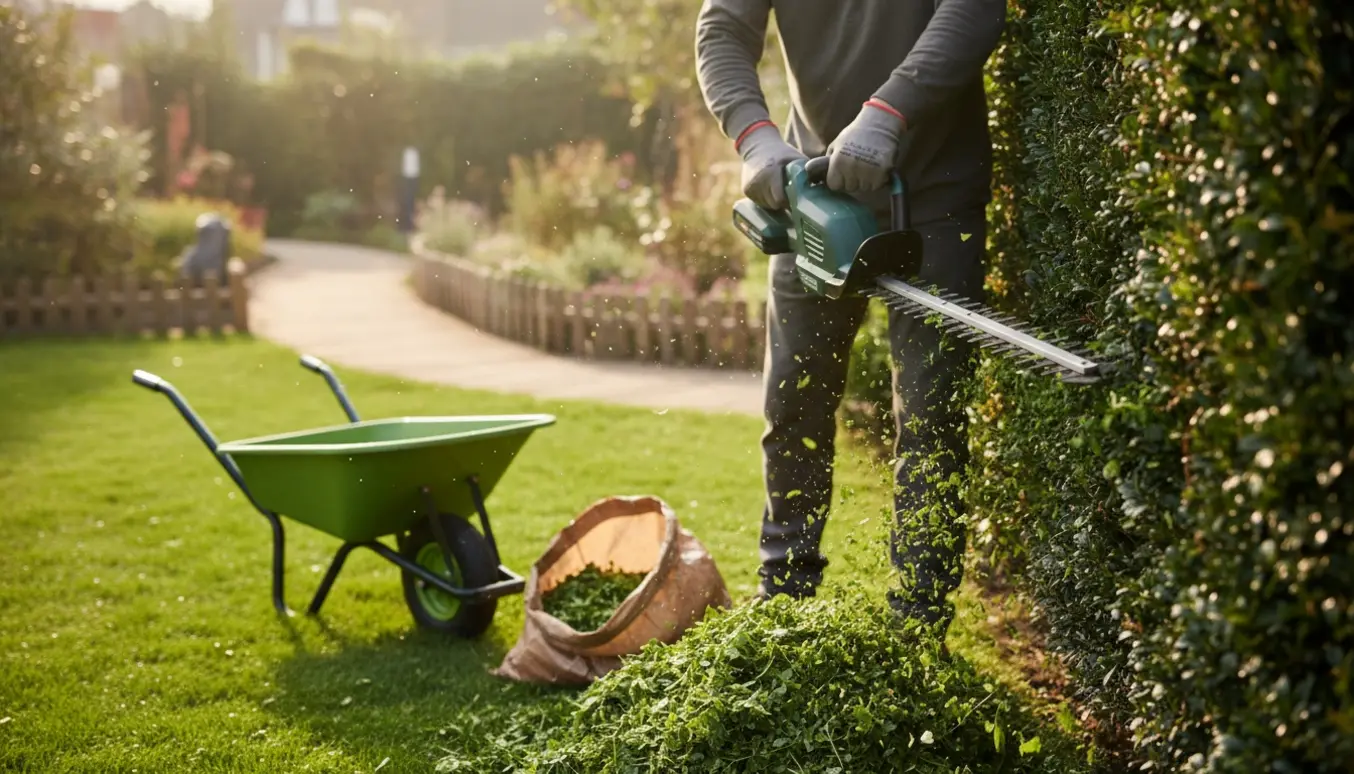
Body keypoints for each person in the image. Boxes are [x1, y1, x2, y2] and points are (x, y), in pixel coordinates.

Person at [695, 0, 1007, 634]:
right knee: (794, 402)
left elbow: (975, 8)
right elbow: (722, 29)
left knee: (931, 417)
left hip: (936, 197)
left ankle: (917, 625)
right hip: (816, 192)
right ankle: (784, 602)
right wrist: (754, 137)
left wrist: (891, 110)